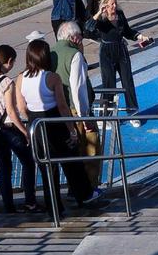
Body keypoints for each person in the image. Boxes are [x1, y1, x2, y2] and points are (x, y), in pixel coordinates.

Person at [14, 39, 104, 212]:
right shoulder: (52, 77)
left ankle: (53, 206)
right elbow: (63, 106)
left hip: (36, 125)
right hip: (55, 122)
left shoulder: (20, 78)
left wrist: (31, 121)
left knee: (47, 167)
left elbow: (21, 107)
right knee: (71, 163)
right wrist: (71, 130)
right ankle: (84, 196)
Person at [0, 45, 42, 214]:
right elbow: (12, 112)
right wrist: (24, 131)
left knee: (4, 168)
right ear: (9, 61)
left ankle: (8, 206)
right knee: (28, 162)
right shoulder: (7, 82)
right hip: (7, 129)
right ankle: (30, 202)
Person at [85, 0, 152, 127]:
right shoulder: (101, 19)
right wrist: (99, 12)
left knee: (128, 82)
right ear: (105, 5)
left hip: (121, 50)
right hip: (107, 52)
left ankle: (133, 113)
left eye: (115, 3)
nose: (114, 6)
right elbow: (88, 28)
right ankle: (104, 117)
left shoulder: (120, 15)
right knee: (109, 85)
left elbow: (127, 31)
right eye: (111, 4)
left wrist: (140, 36)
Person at [51, 22, 102, 186]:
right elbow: (78, 88)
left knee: (71, 155)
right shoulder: (74, 55)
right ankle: (91, 188)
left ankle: (75, 189)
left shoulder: (51, 53)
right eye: (80, 37)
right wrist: (85, 116)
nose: (82, 40)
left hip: (59, 111)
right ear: (74, 37)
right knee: (91, 152)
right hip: (75, 111)